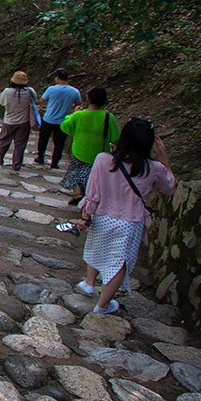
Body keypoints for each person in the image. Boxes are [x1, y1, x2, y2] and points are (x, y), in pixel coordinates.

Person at [72, 118, 176, 314]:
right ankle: (102, 305)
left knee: (97, 247)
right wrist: (164, 157)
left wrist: (85, 217)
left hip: (103, 215)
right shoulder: (153, 168)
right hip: (131, 222)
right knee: (119, 263)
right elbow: (170, 186)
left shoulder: (103, 160)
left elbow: (92, 194)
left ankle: (89, 282)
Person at [59, 87, 119, 204]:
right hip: (98, 154)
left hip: (79, 151)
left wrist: (72, 114)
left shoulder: (79, 115)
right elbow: (116, 138)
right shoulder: (109, 117)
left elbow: (65, 127)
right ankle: (89, 198)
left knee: (75, 172)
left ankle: (78, 193)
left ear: (89, 99)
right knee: (93, 178)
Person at [0, 71, 39, 172]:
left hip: (9, 121)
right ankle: (16, 166)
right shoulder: (30, 91)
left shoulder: (7, 92)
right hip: (24, 122)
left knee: (3, 142)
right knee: (20, 145)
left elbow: (2, 102)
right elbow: (35, 99)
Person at [35, 69, 81, 169]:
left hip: (49, 119)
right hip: (63, 121)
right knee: (59, 143)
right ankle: (55, 162)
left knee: (43, 138)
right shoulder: (74, 91)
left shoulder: (51, 89)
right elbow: (78, 104)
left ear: (57, 78)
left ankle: (40, 157)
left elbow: (42, 100)